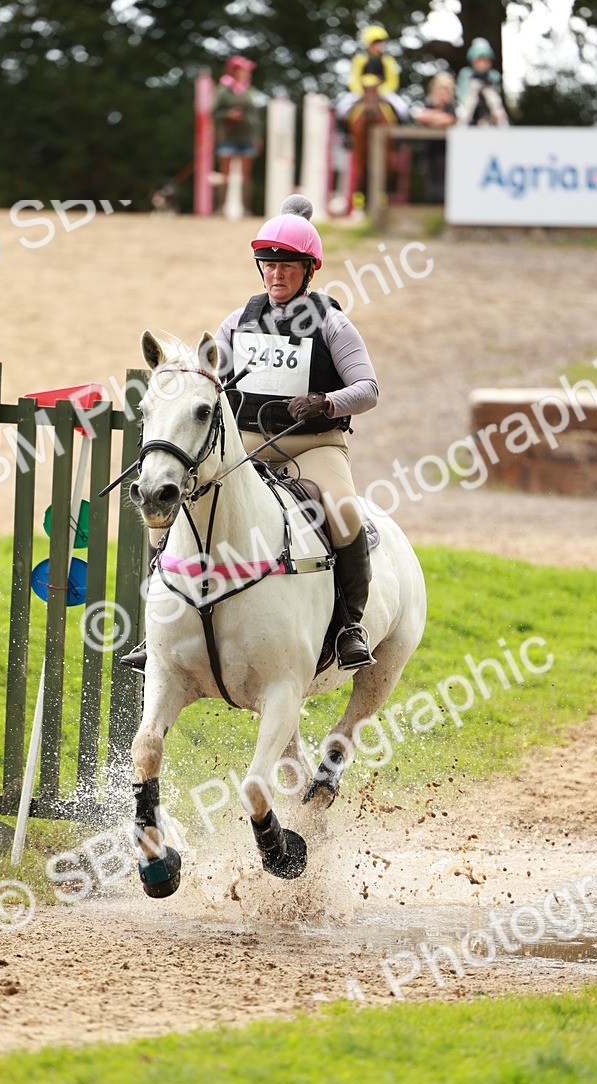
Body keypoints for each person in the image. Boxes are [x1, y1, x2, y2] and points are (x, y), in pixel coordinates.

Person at [215, 194, 379, 670]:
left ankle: (351, 624)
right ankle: (166, 616)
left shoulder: (332, 323)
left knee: (344, 513)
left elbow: (368, 389)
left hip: (315, 444)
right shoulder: (237, 322)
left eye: (287, 265)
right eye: (267, 264)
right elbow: (212, 377)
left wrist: (327, 402)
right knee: (191, 494)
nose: (276, 274)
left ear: (310, 269)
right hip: (249, 440)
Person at [211, 55, 264, 215]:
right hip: (228, 137)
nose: (247, 73)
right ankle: (220, 209)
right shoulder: (222, 89)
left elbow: (255, 117)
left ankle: (246, 210)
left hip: (247, 137)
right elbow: (213, 112)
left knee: (246, 176)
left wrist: (257, 136)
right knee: (225, 175)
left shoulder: (248, 90)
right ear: (234, 71)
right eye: (244, 70)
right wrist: (228, 114)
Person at [412, 73, 457, 202]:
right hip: (429, 153)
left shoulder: (453, 107)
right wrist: (439, 117)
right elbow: (419, 116)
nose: (442, 93)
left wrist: (431, 118)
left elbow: (450, 120)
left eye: (445, 90)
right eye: (440, 89)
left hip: (448, 153)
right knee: (431, 184)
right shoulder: (427, 105)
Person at [455, 38, 509, 127]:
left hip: (488, 116)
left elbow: (496, 98)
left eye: (486, 61)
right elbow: (462, 96)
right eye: (480, 60)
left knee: (492, 96)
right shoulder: (466, 74)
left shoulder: (493, 75)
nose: (483, 64)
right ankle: (461, 126)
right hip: (470, 112)